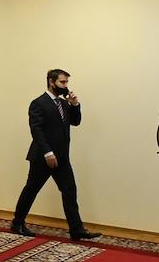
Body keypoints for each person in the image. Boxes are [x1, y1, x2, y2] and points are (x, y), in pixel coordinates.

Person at [9, 69, 101, 241]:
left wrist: (75, 105)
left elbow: (76, 122)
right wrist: (47, 152)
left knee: (69, 191)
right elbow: (36, 130)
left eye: (66, 82)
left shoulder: (64, 103)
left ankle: (77, 229)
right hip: (43, 157)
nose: (65, 86)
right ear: (51, 82)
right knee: (31, 189)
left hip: (62, 157)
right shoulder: (38, 103)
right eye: (62, 82)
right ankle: (17, 223)